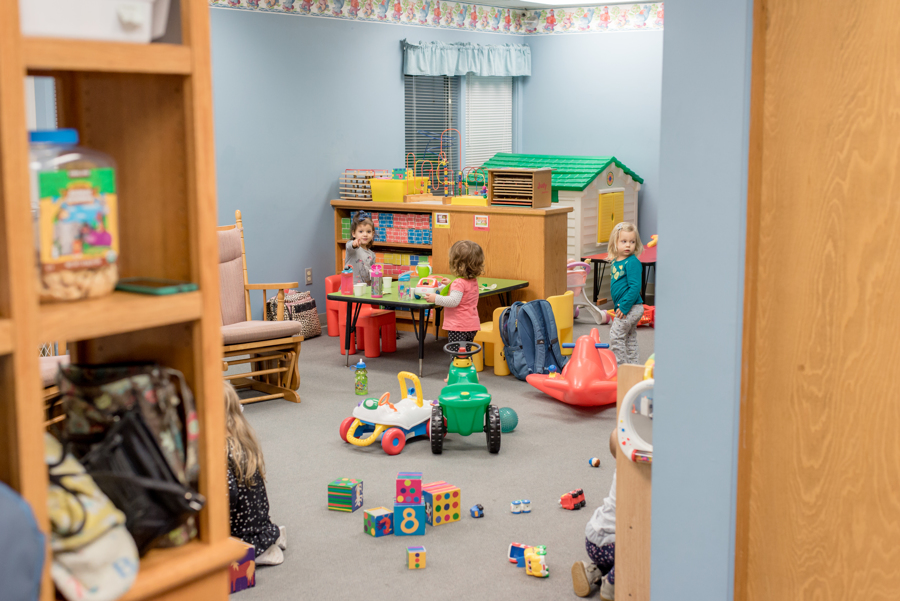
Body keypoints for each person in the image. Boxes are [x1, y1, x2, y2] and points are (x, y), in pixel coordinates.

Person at [225, 382, 286, 565]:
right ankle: (271, 537)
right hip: (260, 523)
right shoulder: (244, 438)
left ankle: (262, 551)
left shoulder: (221, 449)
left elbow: (229, 495)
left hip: (242, 532)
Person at [572, 430, 618, 599]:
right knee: (642, 552)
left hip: (593, 536)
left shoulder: (620, 471)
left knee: (615, 558)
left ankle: (593, 571)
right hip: (612, 543)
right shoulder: (636, 478)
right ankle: (611, 585)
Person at [424, 239, 484, 345]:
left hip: (459, 326)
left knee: (457, 356)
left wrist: (435, 298)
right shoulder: (473, 280)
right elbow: (464, 294)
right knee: (466, 353)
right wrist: (451, 284)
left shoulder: (459, 283)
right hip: (471, 325)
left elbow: (453, 301)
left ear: (457, 264)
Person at [607, 222, 644, 365]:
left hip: (631, 306)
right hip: (628, 306)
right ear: (615, 242)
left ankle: (622, 367)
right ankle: (633, 367)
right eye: (624, 241)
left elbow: (635, 287)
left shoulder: (632, 262)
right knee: (629, 338)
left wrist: (624, 307)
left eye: (632, 242)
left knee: (616, 335)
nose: (628, 245)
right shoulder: (616, 261)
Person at [345, 212, 376, 285]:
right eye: (361, 231)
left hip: (365, 291)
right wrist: (354, 244)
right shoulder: (352, 249)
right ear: (353, 234)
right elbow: (349, 246)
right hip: (349, 289)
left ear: (372, 234)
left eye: (368, 231)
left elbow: (372, 275)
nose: (365, 234)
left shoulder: (372, 255)